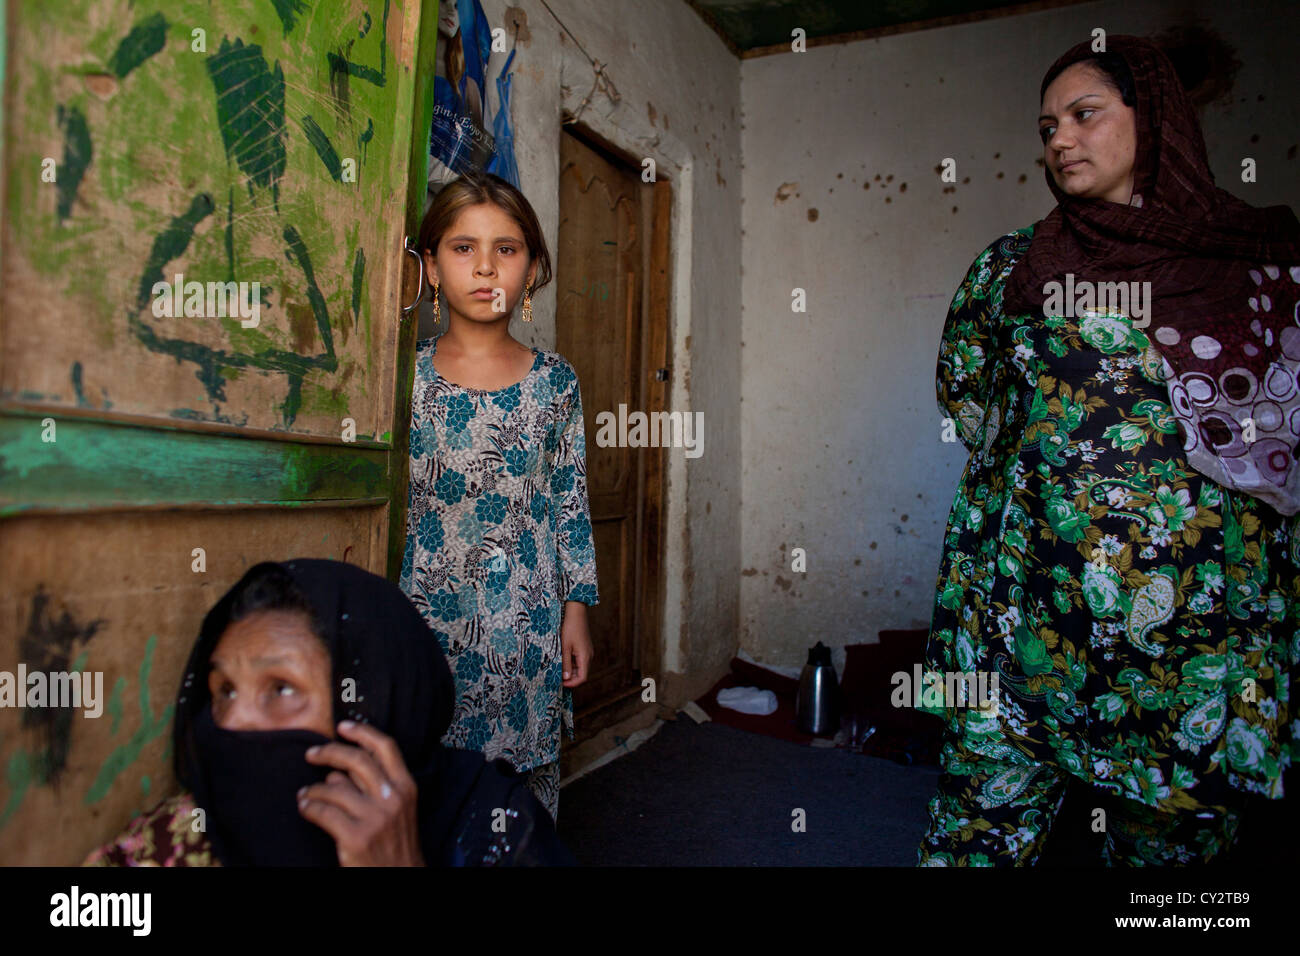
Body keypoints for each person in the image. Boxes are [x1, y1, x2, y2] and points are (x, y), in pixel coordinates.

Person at [918, 35, 1300, 866]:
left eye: (1084, 115)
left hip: (1189, 643)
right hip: (1019, 620)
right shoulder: (1011, 270)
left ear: (1154, 118)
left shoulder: (1254, 264)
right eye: (1047, 125)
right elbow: (971, 406)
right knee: (979, 833)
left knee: (1169, 865)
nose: (1059, 139)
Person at [84, 558, 573, 866]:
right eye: (224, 691)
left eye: (280, 688)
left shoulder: (496, 830)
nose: (233, 724)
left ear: (377, 704)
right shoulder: (177, 839)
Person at [400, 171, 599, 820]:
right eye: (462, 248)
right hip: (425, 623)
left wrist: (576, 612)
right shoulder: (404, 383)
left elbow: (569, 501)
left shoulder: (555, 383)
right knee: (428, 795)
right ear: (429, 267)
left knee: (517, 810)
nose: (485, 266)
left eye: (506, 249)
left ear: (533, 267)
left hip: (526, 628)